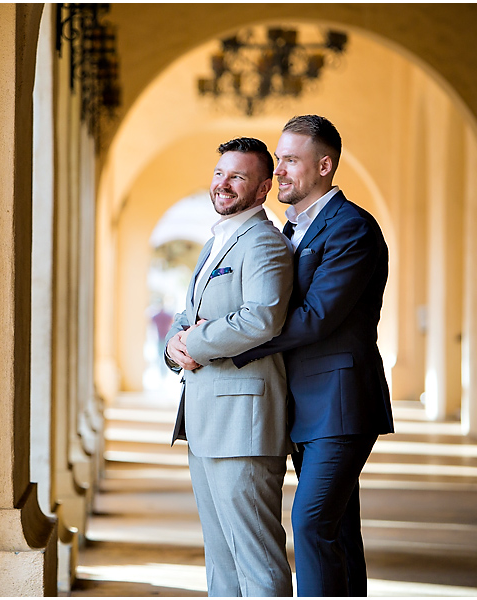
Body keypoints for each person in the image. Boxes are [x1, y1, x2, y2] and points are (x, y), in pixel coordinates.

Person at [230, 115, 395, 596]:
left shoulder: (352, 229)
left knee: (310, 523)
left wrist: (236, 342)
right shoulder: (291, 230)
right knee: (337, 530)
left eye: (290, 160)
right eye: (278, 160)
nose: (278, 170)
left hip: (340, 405)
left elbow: (318, 315)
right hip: (305, 406)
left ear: (324, 165)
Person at [164, 136, 294, 596]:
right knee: (220, 556)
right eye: (220, 173)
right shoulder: (215, 242)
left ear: (262, 189)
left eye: (238, 176)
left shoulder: (263, 243)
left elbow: (263, 317)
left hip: (244, 425)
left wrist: (196, 341)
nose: (224, 183)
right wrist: (173, 346)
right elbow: (185, 317)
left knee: (255, 555)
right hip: (205, 421)